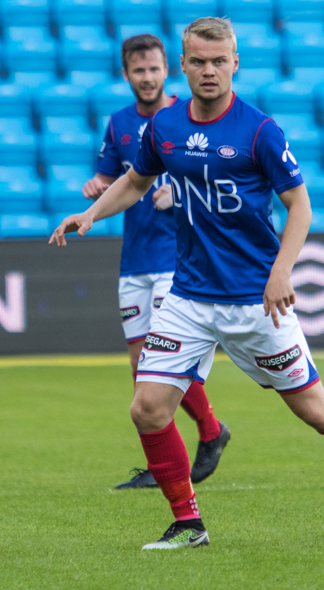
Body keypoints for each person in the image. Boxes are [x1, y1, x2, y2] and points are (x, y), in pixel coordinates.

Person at [51, 17, 324, 549]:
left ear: (235, 64)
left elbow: (300, 208)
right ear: (183, 65)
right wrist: (90, 214)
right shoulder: (163, 128)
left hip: (256, 301)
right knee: (148, 407)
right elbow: (136, 180)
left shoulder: (259, 131)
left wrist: (280, 273)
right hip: (188, 296)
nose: (209, 70)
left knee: (316, 411)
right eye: (198, 61)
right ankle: (189, 524)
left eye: (219, 60)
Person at [84, 33, 230, 490]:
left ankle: (206, 434)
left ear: (169, 70)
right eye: (138, 70)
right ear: (126, 74)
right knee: (140, 368)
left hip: (176, 259)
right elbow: (114, 178)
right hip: (134, 260)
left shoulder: (185, 119)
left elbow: (217, 183)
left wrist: (180, 195)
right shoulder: (120, 123)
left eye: (154, 69)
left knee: (163, 362)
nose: (147, 78)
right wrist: (95, 187)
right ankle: (186, 446)